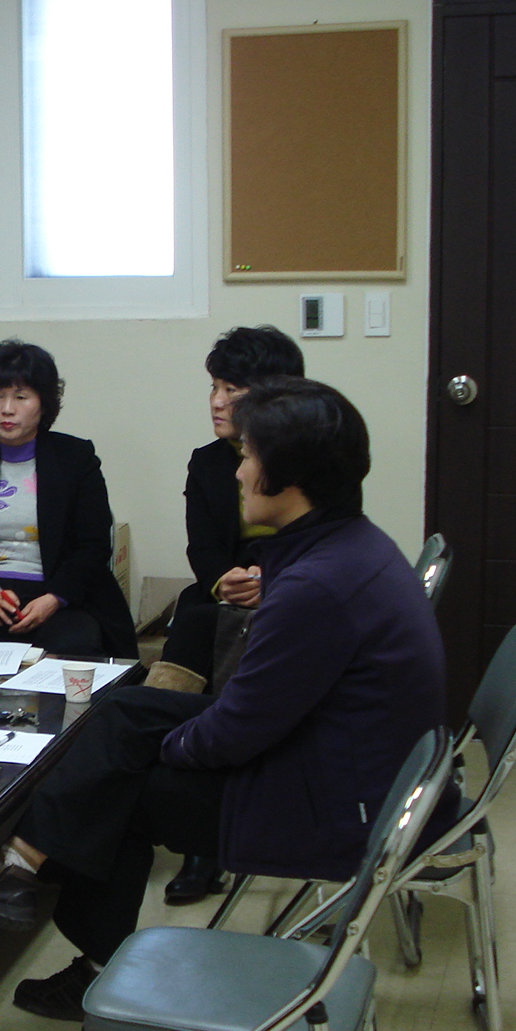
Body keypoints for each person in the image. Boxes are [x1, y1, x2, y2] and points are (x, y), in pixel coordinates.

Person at [0, 378, 450, 1022]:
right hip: (349, 762)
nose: (239, 473)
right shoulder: (351, 545)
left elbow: (232, 734)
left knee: (121, 788)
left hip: (341, 807)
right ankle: (26, 858)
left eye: (249, 457)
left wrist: (158, 753)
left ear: (288, 478)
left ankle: (92, 961)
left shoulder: (316, 585)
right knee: (127, 710)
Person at [152, 325, 305, 905]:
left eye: (232, 390)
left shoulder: (310, 456)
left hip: (289, 595)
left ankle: (200, 829)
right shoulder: (207, 462)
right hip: (223, 592)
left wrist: (272, 583)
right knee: (199, 617)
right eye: (214, 387)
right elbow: (203, 547)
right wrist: (223, 579)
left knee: (214, 643)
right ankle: (179, 781)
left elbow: (323, 544)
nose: (217, 402)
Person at [0, 340, 136, 659]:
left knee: (76, 647)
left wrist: (55, 598)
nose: (7, 409)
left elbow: (93, 546)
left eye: (21, 397)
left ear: (43, 403)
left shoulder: (76, 458)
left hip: (58, 597)